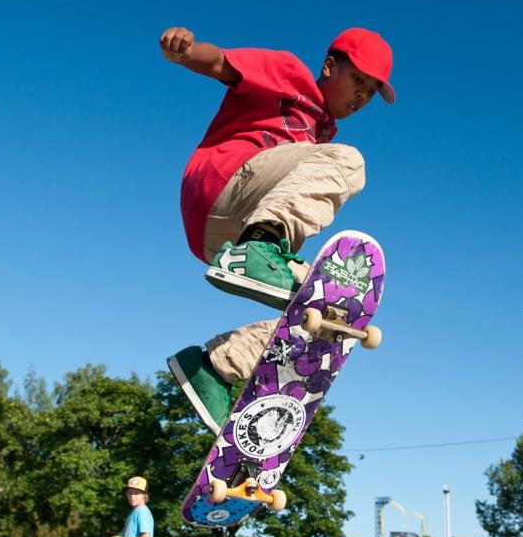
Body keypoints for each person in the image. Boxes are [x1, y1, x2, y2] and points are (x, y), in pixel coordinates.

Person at [158, 25, 395, 432]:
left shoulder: (320, 133)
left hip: (221, 236)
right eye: (357, 80)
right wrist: (187, 50)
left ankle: (215, 367)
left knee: (334, 312)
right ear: (328, 66)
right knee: (348, 162)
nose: (361, 96)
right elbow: (221, 64)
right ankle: (260, 246)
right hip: (223, 184)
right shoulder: (290, 73)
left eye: (371, 91)